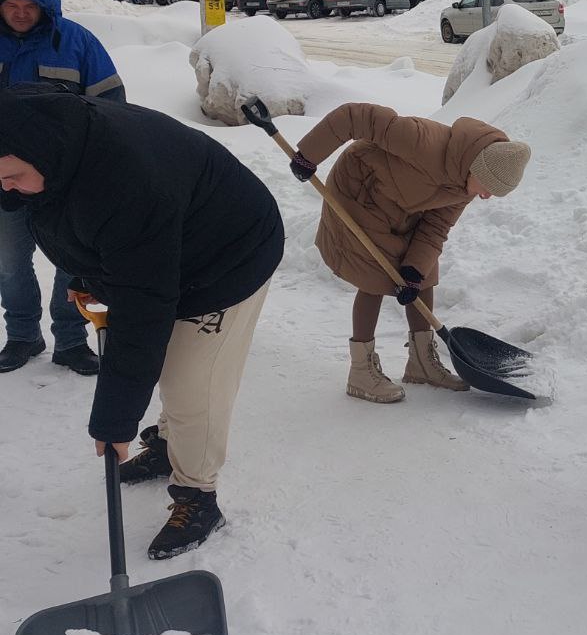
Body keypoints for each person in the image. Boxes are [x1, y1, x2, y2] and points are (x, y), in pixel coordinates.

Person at [0, 84, 284, 559]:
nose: (4, 187)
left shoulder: (123, 178)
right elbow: (73, 220)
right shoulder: (43, 136)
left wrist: (115, 422)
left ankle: (198, 495)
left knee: (191, 384)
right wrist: (90, 274)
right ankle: (170, 444)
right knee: (171, 367)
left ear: (38, 155)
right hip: (170, 240)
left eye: (11, 175)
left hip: (228, 256)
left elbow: (143, 307)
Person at [288, 103, 532, 403]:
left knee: (424, 272)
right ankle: (361, 371)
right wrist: (309, 154)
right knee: (375, 274)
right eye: (488, 186)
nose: (486, 195)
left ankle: (421, 363)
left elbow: (435, 228)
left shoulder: (465, 186)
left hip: (402, 204)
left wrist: (414, 271)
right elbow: (355, 116)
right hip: (360, 188)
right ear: (476, 169)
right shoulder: (422, 141)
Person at [0, 0, 125, 376]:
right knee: (10, 261)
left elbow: (110, 106)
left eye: (29, 6)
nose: (20, 14)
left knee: (71, 261)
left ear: (45, 7)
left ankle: (71, 340)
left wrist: (100, 165)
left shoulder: (76, 42)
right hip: (5, 180)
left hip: (66, 181)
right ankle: (21, 335)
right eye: (12, 5)